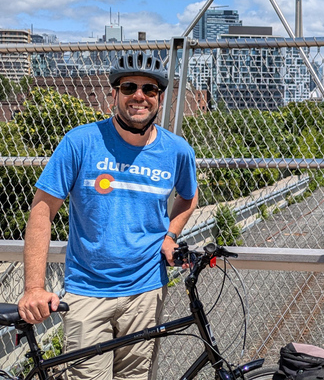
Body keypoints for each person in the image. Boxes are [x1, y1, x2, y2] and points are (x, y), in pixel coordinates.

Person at [17, 51, 198, 380]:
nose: (139, 96)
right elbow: (42, 211)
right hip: (87, 291)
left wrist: (170, 235)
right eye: (129, 87)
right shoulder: (80, 142)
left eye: (150, 89)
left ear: (160, 97)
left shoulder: (177, 151)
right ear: (113, 94)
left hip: (146, 292)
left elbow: (189, 195)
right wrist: (34, 288)